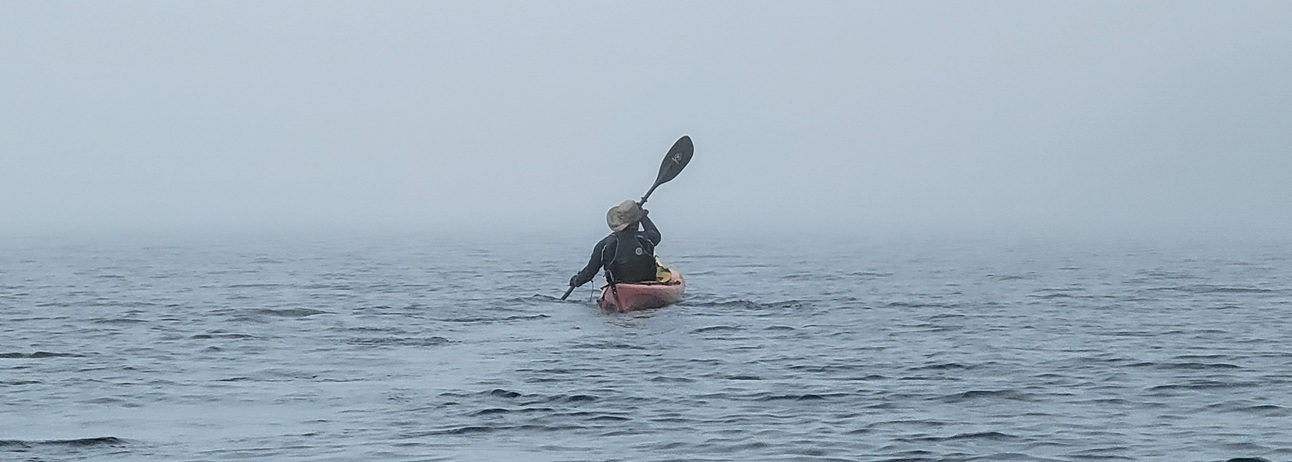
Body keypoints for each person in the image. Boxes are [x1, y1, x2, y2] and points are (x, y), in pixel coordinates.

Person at [569, 200, 664, 290]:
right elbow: (655, 234)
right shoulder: (647, 238)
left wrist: (576, 281)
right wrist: (643, 216)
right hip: (646, 283)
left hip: (619, 286)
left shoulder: (604, 245)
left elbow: (590, 272)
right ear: (636, 222)